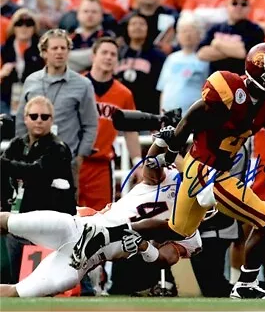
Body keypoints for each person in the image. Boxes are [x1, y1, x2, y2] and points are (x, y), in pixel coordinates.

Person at [75, 42, 265, 299]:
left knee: (177, 230)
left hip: (209, 170)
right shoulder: (228, 87)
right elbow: (192, 116)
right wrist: (173, 146)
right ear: (258, 72)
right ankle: (246, 284)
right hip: (209, 172)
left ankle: (114, 230)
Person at [0, 137, 202, 297]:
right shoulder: (171, 179)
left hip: (84, 259)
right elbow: (150, 166)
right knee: (10, 221)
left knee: (22, 291)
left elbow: (166, 258)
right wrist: (160, 143)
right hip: (79, 227)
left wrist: (144, 247)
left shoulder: (190, 234)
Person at [0, 95, 77, 284]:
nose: (39, 120)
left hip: (52, 223)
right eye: (34, 116)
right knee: (15, 279)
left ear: (52, 120)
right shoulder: (17, 144)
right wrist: (4, 204)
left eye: (45, 116)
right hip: (20, 219)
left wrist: (2, 163)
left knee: (61, 281)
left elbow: (37, 173)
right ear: (25, 118)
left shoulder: (58, 147)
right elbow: (2, 176)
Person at [15, 28, 98, 190]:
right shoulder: (31, 80)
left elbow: (90, 124)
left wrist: (80, 157)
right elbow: (20, 120)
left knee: (65, 214)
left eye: (63, 48)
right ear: (44, 53)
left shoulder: (83, 84)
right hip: (32, 162)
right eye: (54, 48)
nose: (59, 52)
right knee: (30, 213)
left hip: (66, 162)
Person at [79, 36, 142, 211]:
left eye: (113, 54)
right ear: (93, 56)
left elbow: (131, 131)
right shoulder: (75, 85)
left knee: (101, 218)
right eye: (104, 53)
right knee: (65, 216)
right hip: (74, 160)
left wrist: (137, 162)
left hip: (102, 165)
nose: (108, 57)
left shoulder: (124, 94)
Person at [0, 8, 45, 115]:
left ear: (34, 27)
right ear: (13, 26)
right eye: (19, 23)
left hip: (34, 97)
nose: (24, 28)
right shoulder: (4, 49)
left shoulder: (41, 49)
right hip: (5, 97)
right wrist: (2, 73)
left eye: (29, 23)